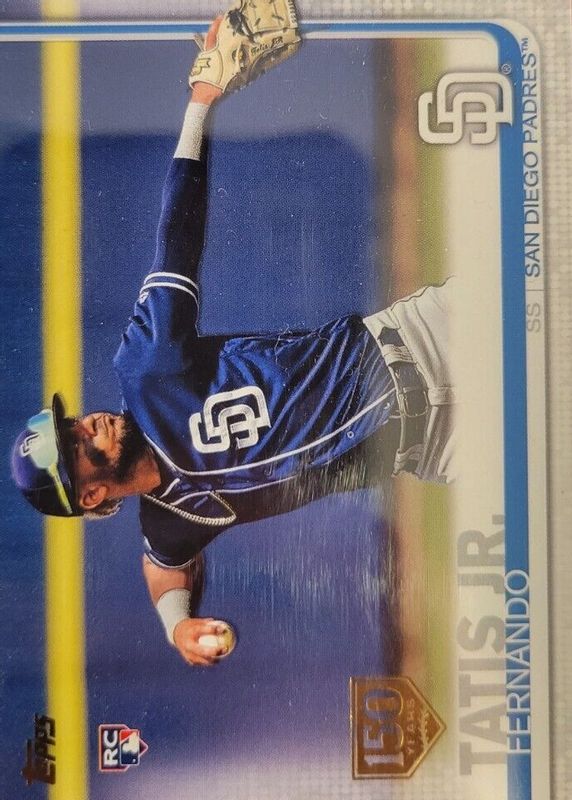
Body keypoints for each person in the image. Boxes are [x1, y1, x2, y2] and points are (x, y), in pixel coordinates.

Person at [11, 12, 456, 667]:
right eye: (78, 445)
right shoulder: (171, 518)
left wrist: (200, 103)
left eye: (71, 423)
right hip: (435, 447)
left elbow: (177, 239)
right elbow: (163, 567)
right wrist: (177, 626)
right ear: (92, 495)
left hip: (422, 344)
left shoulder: (147, 373)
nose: (87, 425)